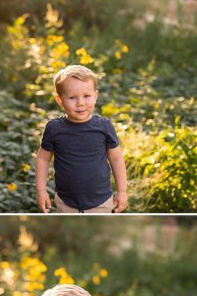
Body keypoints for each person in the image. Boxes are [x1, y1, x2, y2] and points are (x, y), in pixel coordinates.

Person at [34, 65, 129, 213]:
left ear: (95, 96)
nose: (80, 103)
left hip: (101, 202)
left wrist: (122, 192)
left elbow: (116, 158)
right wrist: (41, 190)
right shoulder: (54, 129)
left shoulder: (103, 127)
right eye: (72, 97)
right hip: (66, 202)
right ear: (60, 100)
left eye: (87, 96)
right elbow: (43, 159)